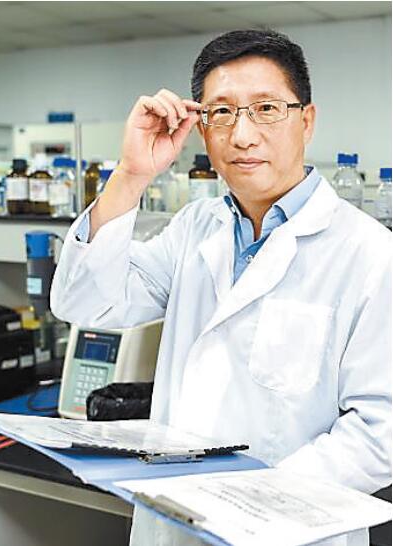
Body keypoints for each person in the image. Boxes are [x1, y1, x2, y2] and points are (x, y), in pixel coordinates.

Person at [51, 29, 391, 546]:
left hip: (287, 531)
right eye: (222, 113)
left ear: (306, 121)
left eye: (266, 109)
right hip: (172, 523)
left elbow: (381, 431)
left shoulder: (369, 253)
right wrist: (132, 173)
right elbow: (86, 301)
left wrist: (253, 501)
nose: (243, 135)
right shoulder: (194, 228)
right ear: (201, 128)